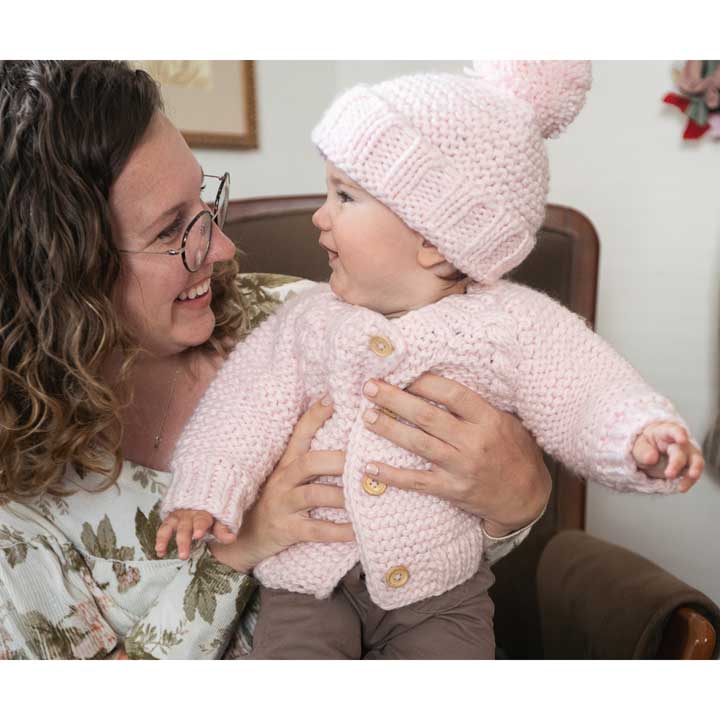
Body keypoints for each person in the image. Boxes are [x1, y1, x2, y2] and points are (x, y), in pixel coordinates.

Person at [0, 60, 551, 660]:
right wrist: (238, 550)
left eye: (204, 201)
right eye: (170, 231)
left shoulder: (307, 325)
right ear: (58, 277)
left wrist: (516, 502)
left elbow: (432, 554)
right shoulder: (20, 514)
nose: (223, 247)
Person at [158, 61, 704, 660]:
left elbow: (584, 388)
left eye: (345, 196)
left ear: (435, 240)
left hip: (442, 592)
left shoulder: (512, 323)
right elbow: (242, 407)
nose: (322, 215)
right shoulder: (307, 320)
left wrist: (637, 437)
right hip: (307, 583)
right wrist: (208, 489)